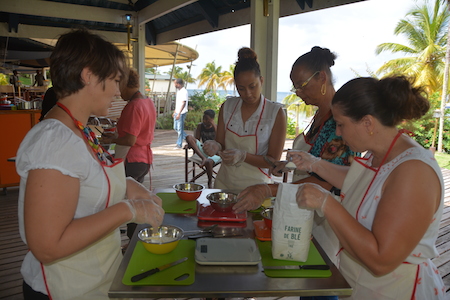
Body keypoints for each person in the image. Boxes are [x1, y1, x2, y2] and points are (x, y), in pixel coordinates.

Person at [15, 28, 164, 300]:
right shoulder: (55, 140)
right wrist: (127, 210)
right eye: (114, 80)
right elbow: (47, 247)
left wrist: (127, 186)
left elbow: (87, 186)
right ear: (89, 75)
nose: (118, 92)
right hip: (63, 289)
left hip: (93, 282)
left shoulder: (79, 130)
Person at [292, 76, 445, 299]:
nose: (338, 133)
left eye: (341, 124)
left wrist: (327, 202)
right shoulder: (380, 154)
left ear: (368, 123)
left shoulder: (414, 172)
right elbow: (363, 183)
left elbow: (380, 260)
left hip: (397, 291)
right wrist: (314, 163)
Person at [234, 47, 357, 211]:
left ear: (322, 77)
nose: (298, 92)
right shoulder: (320, 115)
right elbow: (317, 161)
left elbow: (326, 182)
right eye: (295, 87)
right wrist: (291, 164)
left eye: (302, 85)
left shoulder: (339, 122)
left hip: (330, 214)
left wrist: (267, 190)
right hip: (309, 206)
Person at [203, 47, 286, 192]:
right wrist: (215, 146)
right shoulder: (228, 107)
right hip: (224, 184)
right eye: (241, 88)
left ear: (261, 81)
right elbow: (221, 144)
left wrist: (243, 156)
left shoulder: (275, 112)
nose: (248, 94)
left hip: (256, 188)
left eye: (252, 86)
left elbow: (273, 161)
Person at [102, 67, 157, 240]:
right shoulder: (147, 101)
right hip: (144, 159)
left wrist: (109, 140)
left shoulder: (134, 105)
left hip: (132, 159)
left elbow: (130, 140)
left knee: (131, 203)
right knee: (137, 199)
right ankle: (137, 238)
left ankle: (134, 240)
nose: (118, 93)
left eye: (119, 86)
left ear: (125, 84)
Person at [185, 109, 222, 188]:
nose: (204, 121)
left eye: (207, 119)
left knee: (208, 162)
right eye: (203, 119)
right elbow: (197, 139)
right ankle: (203, 158)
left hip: (215, 152)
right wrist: (190, 144)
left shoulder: (217, 127)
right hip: (203, 149)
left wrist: (214, 126)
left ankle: (209, 181)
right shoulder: (200, 126)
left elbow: (220, 141)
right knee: (188, 137)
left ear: (212, 119)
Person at [172, 78, 188, 149]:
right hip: (177, 112)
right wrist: (175, 111)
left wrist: (179, 113)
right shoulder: (179, 91)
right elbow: (178, 103)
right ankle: (188, 138)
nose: (174, 85)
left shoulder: (184, 91)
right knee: (176, 128)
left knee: (179, 129)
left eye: (175, 83)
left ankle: (179, 144)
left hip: (181, 113)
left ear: (178, 84)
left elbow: (183, 103)